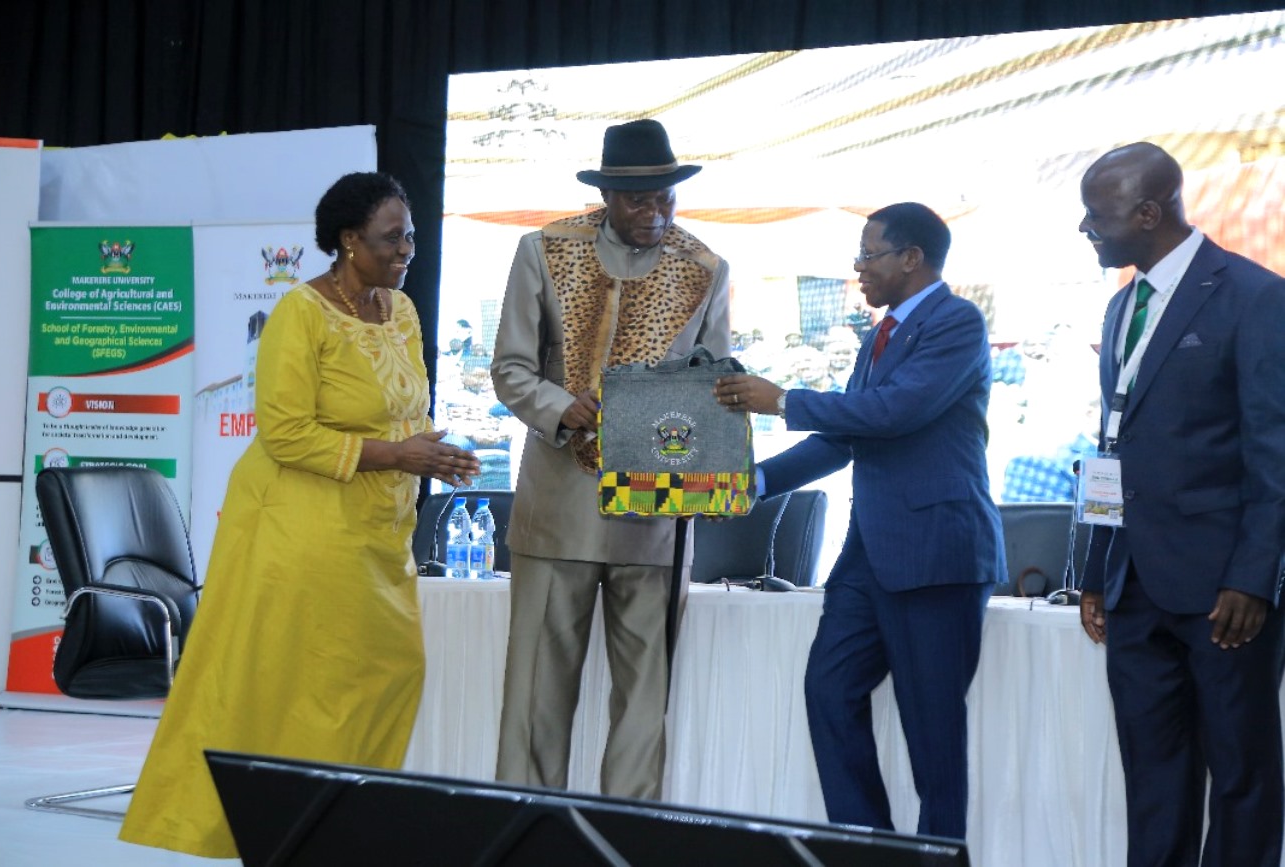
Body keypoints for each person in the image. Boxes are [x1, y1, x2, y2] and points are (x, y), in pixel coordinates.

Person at [119, 172, 481, 858]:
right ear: (348, 241)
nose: (408, 247)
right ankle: (277, 826)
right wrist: (399, 453)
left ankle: (346, 819)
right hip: (300, 525)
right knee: (306, 681)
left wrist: (432, 450)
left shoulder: (399, 309)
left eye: (410, 233)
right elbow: (285, 432)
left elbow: (406, 408)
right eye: (392, 236)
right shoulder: (301, 312)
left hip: (378, 530)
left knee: (389, 672)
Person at [714, 201, 1003, 838]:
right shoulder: (881, 335)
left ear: (911, 258)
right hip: (870, 556)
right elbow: (846, 432)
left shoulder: (956, 323)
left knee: (934, 740)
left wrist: (784, 400)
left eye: (867, 255)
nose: (857, 269)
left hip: (936, 557)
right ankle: (867, 847)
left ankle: (935, 856)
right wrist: (755, 481)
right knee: (828, 692)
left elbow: (896, 412)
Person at [491, 118, 730, 799]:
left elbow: (712, 386)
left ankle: (626, 843)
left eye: (665, 199)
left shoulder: (706, 268)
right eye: (639, 200)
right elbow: (509, 367)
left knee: (642, 712)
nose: (655, 213)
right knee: (535, 705)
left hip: (656, 522)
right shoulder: (544, 250)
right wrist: (558, 407)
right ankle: (524, 838)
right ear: (608, 195)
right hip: (557, 513)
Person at [1076, 142, 1285, 867]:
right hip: (1135, 587)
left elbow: (1276, 451)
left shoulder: (1255, 296)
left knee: (1241, 777)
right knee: (1153, 775)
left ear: (1147, 212)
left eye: (1096, 217)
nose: (1086, 230)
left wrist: (1254, 576)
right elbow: (1114, 449)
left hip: (1224, 591)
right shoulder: (1119, 306)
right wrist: (1097, 568)